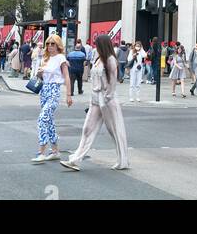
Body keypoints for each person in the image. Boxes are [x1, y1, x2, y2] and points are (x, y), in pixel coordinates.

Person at [61, 34, 130, 172]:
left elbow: (112, 81)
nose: (94, 46)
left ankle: (123, 160)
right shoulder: (98, 58)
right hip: (96, 99)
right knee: (87, 129)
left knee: (115, 130)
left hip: (107, 99)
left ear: (102, 45)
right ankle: (76, 159)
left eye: (96, 44)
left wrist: (107, 97)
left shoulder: (110, 59)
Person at [31, 34, 73, 163]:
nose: (49, 46)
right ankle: (55, 151)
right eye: (48, 43)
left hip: (54, 91)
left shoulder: (61, 58)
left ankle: (41, 152)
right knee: (49, 122)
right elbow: (43, 78)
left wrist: (68, 95)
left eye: (53, 44)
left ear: (58, 45)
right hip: (44, 91)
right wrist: (39, 73)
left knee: (42, 119)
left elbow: (66, 77)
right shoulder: (46, 58)